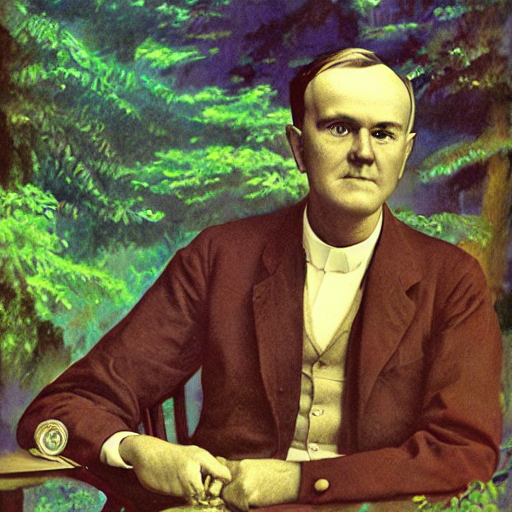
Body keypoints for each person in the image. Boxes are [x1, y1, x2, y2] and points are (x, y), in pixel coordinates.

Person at [17, 48, 503, 511]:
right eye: (339, 128)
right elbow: (63, 406)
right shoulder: (221, 258)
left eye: (383, 133)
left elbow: (465, 453)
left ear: (405, 151)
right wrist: (137, 448)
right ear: (298, 146)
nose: (363, 152)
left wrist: (297, 480)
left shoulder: (452, 281)